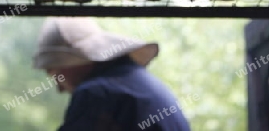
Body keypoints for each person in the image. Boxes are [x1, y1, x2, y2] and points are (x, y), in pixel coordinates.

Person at [32, 17, 191, 131]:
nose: (59, 88)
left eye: (53, 73)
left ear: (70, 63)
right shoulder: (141, 84)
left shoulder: (96, 93)